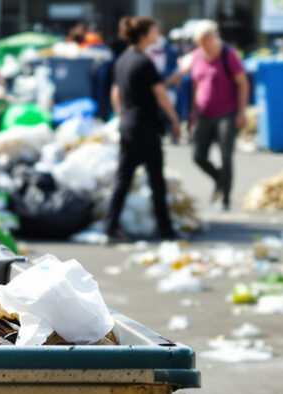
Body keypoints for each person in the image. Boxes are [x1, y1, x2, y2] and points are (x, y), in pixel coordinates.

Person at [102, 16, 181, 242]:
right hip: (145, 126)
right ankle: (166, 229)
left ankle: (110, 225)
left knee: (123, 178)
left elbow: (115, 93)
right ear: (145, 35)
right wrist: (175, 120)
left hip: (128, 124)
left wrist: (121, 115)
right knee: (156, 179)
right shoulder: (145, 63)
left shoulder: (122, 60)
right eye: (155, 31)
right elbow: (161, 95)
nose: (158, 35)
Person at [167, 19, 249, 210]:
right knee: (198, 156)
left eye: (207, 39)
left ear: (214, 37)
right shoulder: (196, 56)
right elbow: (190, 80)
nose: (204, 44)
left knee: (226, 156)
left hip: (227, 113)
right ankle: (220, 179)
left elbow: (242, 83)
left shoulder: (228, 55)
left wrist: (241, 112)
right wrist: (192, 112)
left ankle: (226, 197)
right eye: (200, 40)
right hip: (204, 113)